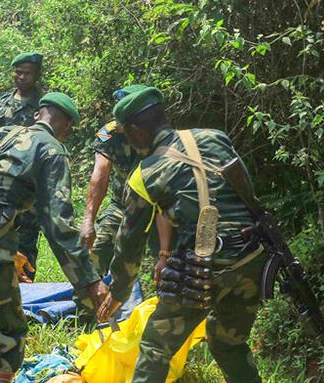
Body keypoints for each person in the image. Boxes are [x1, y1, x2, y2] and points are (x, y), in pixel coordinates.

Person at [96, 85, 267, 383]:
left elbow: (128, 246)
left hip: (202, 270)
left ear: (135, 130)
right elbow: (247, 195)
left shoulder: (144, 175)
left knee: (155, 346)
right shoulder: (215, 137)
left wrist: (119, 292)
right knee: (228, 342)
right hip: (252, 259)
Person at [0, 93, 108, 383]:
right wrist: (90, 281)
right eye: (69, 126)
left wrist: (4, 247)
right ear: (65, 122)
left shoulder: (3, 136)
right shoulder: (51, 150)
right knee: (9, 335)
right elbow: (59, 226)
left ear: (38, 114)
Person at [80, 85, 152, 275]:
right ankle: (88, 302)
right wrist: (88, 220)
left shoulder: (156, 133)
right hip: (121, 205)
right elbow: (100, 176)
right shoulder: (108, 133)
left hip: (156, 208)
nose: (117, 121)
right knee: (96, 250)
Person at [0, 52, 44, 281]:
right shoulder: (2, 103)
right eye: (18, 72)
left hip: (30, 182)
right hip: (2, 180)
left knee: (27, 237)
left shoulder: (44, 105)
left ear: (37, 76)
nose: (21, 77)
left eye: (27, 73)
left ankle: (27, 291)